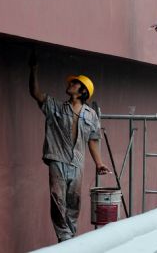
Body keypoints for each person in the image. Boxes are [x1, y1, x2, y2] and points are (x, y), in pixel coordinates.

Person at [29, 52, 110, 243]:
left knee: (74, 201)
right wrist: (33, 69)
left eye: (75, 83)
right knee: (58, 198)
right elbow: (35, 93)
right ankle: (64, 237)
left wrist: (99, 163)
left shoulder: (90, 115)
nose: (70, 84)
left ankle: (70, 239)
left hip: (77, 162)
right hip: (58, 158)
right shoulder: (55, 107)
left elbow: (93, 140)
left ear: (82, 92)